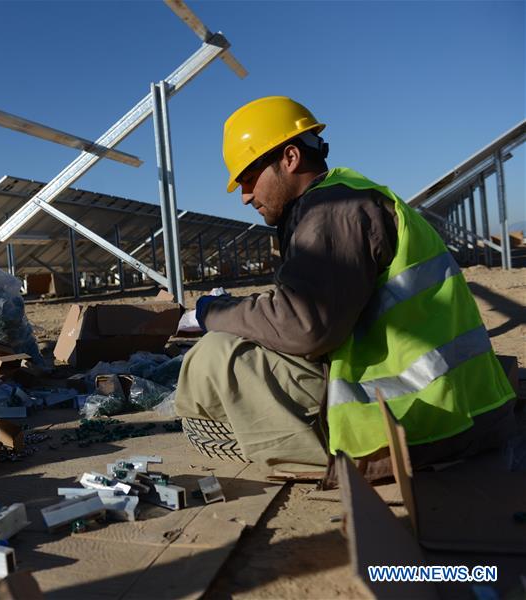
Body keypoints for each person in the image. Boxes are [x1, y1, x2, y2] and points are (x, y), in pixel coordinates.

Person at [175, 97, 516, 480]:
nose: (245, 195)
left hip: (422, 419)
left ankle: (333, 455)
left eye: (248, 177)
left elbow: (304, 327)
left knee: (217, 355)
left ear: (290, 158)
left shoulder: (332, 210)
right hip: (460, 403)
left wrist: (212, 312)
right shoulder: (346, 197)